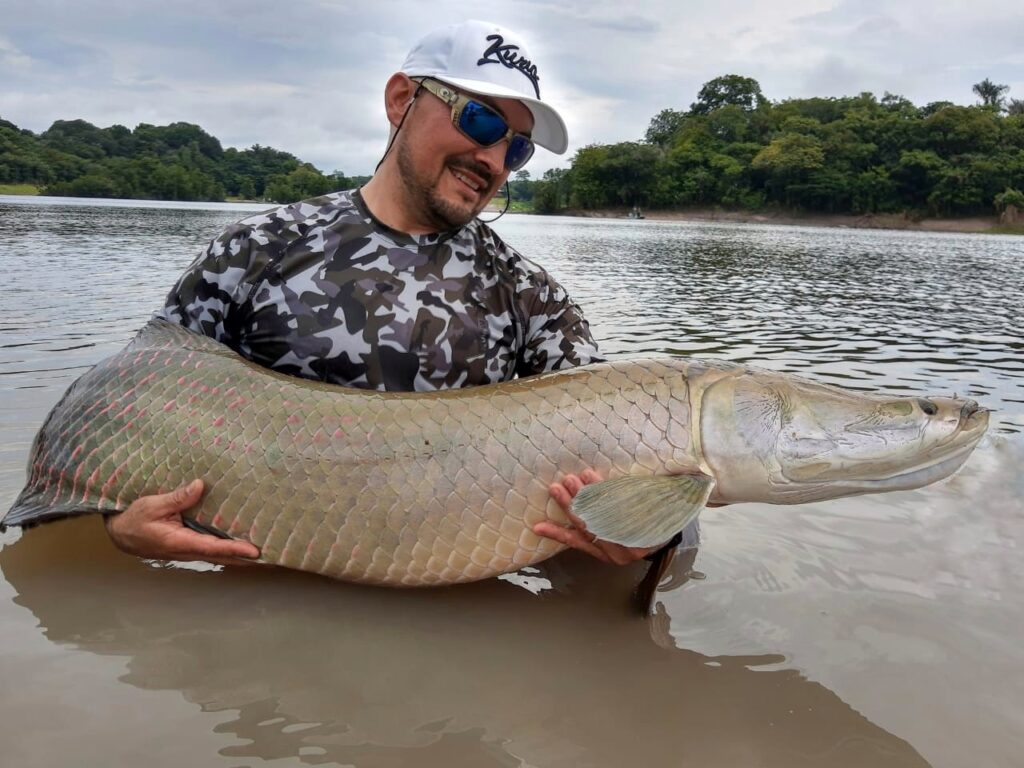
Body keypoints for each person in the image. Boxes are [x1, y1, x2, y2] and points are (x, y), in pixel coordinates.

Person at [103, 20, 666, 570]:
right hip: (255, 608)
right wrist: (114, 523)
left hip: (447, 619)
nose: (494, 161)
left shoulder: (531, 298)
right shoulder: (256, 250)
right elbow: (132, 398)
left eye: (517, 149)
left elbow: (628, 442)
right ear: (401, 99)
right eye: (480, 121)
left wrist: (649, 534)